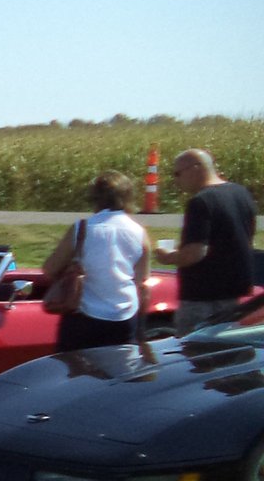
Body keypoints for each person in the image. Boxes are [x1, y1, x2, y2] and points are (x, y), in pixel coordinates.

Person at [40, 170, 150, 351]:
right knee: (120, 373)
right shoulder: (139, 232)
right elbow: (142, 280)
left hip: (84, 316)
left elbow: (50, 268)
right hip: (125, 315)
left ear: (95, 198)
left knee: (75, 373)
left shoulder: (82, 229)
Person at [156, 148, 256, 333]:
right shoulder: (241, 193)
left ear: (196, 168)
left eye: (178, 173)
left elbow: (195, 252)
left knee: (195, 353)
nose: (176, 180)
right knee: (227, 353)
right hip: (233, 294)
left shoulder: (201, 201)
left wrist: (168, 257)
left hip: (202, 296)